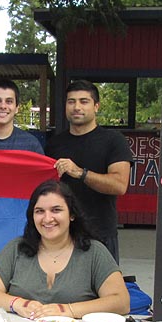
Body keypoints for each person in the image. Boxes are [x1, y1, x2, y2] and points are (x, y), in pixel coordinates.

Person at [0, 179, 130, 320]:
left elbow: (121, 302)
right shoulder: (16, 248)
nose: (47, 218)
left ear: (72, 214)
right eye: (39, 211)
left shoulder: (94, 252)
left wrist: (67, 310)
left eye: (56, 210)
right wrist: (18, 304)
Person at [45, 80, 132, 262]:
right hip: (62, 234)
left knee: (104, 290)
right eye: (71, 101)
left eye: (84, 101)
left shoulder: (113, 141)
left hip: (100, 234)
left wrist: (80, 173)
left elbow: (119, 185)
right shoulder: (54, 144)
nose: (77, 107)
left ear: (96, 106)